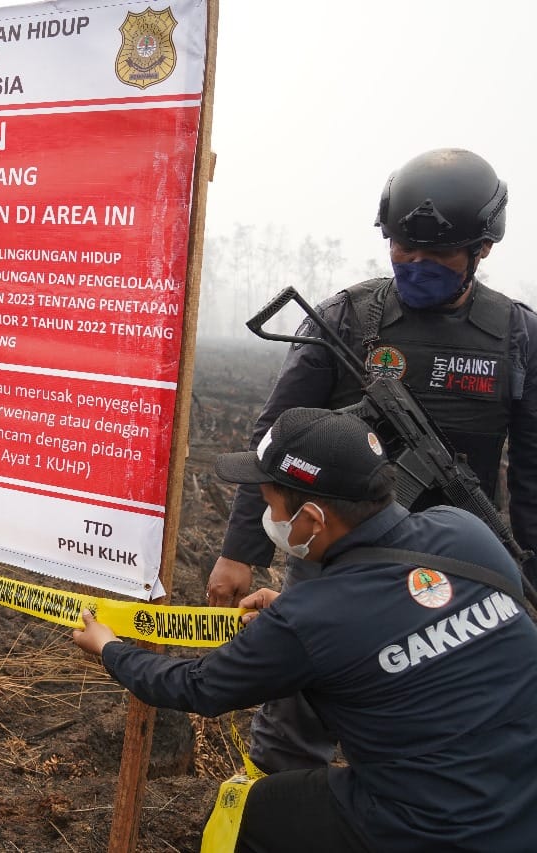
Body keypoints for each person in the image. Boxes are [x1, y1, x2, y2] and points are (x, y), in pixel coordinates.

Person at [205, 147, 537, 774]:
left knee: (431, 732)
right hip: (333, 560)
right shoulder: (349, 319)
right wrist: (240, 551)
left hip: (454, 574)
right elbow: (272, 439)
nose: (416, 263)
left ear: (482, 250)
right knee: (291, 734)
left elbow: (533, 472)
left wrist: (525, 572)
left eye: (437, 254)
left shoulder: (518, 336)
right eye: (403, 249)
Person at [76, 406, 537, 852]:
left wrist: (110, 648)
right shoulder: (465, 531)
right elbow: (407, 618)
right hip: (525, 795)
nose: (268, 515)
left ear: (313, 519)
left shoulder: (311, 618)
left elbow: (196, 688)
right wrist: (301, 626)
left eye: (271, 503)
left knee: (255, 814)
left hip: (437, 828)